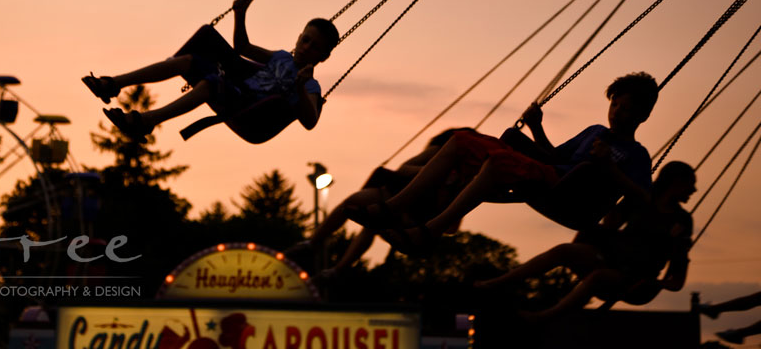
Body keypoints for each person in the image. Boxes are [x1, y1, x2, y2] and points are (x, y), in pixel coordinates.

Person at [352, 72, 659, 252]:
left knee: (498, 164)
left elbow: (644, 199)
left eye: (626, 109)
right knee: (460, 139)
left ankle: (431, 230)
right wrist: (537, 127)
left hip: (573, 198)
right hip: (548, 174)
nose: (616, 113)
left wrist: (609, 171)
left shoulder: (636, 155)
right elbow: (554, 157)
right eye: (614, 104)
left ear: (643, 116)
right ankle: (393, 208)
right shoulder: (595, 132)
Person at [83, 0, 339, 142]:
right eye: (305, 39)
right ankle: (113, 84)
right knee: (189, 60)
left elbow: (310, 121)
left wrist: (300, 87)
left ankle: (146, 121)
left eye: (315, 47)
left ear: (324, 56)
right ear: (299, 37)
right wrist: (241, 14)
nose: (306, 48)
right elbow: (242, 47)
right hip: (235, 86)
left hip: (249, 111)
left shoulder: (311, 86)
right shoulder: (280, 57)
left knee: (211, 84)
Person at [473, 160, 696, 321]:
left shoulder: (682, 221)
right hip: (610, 257)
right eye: (690, 183)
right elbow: (610, 225)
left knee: (598, 277)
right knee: (563, 251)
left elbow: (676, 277)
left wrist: (675, 248)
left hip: (635, 280)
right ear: (675, 182)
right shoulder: (640, 199)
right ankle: (497, 283)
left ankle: (544, 316)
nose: (694, 190)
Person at [286, 130, 467, 279]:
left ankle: (337, 268)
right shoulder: (439, 152)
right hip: (397, 193)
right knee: (351, 205)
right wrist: (436, 173)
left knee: (370, 225)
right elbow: (404, 168)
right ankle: (315, 244)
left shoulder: (463, 175)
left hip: (415, 210)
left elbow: (452, 225)